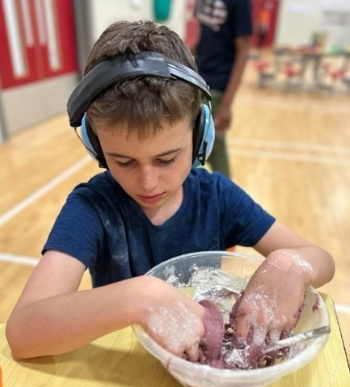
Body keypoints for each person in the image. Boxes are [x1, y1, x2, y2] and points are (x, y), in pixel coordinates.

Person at [6, 20, 334, 361]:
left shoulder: (217, 196)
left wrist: (290, 264)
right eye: (124, 161)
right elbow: (22, 332)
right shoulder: (93, 207)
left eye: (166, 159)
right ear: (96, 147)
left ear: (199, 136)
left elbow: (323, 260)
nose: (148, 182)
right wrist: (139, 298)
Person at [192, 0, 253, 178]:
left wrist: (226, 105)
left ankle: (226, 196)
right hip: (197, 78)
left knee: (212, 142)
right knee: (191, 139)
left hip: (218, 84)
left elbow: (243, 50)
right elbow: (205, 36)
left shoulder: (240, 3)